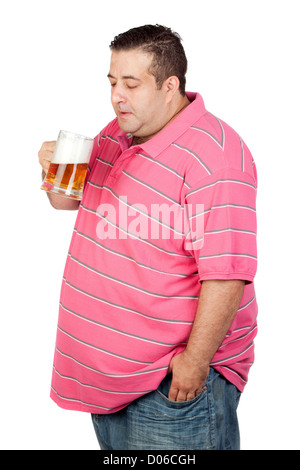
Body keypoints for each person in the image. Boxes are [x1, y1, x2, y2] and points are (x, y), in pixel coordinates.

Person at [38, 24, 258, 450]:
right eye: (112, 81)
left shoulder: (216, 156)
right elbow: (66, 203)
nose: (117, 95)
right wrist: (50, 170)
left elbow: (227, 274)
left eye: (131, 84)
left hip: (170, 386)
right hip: (105, 382)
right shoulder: (118, 132)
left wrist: (194, 363)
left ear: (169, 85)